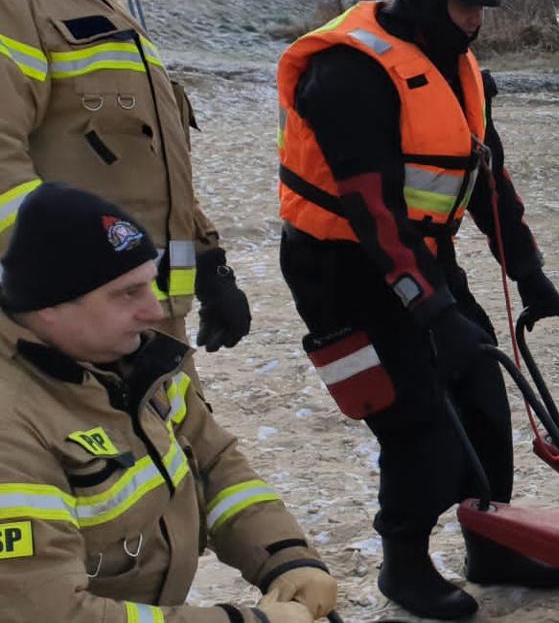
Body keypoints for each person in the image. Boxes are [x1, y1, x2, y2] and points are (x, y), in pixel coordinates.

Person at [276, 0, 559, 619]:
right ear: (427, 0)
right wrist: (431, 312)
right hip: (341, 267)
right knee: (416, 418)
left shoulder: (455, 64)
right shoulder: (348, 76)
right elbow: (373, 212)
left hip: (418, 255)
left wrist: (526, 271)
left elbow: (486, 181)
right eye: (466, 7)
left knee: (482, 397)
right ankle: (402, 565)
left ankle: (490, 542)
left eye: (480, 9)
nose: (476, 21)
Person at [0, 183, 335, 623]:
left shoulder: (137, 364)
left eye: (150, 285)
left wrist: (286, 556)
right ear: (51, 307)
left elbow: (215, 465)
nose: (155, 311)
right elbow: (50, 613)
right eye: (127, 293)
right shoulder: (12, 426)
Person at [0, 0, 251, 355]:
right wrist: (63, 292)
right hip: (79, 325)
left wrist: (209, 262)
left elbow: (146, 152)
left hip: (148, 319)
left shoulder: (101, 3)